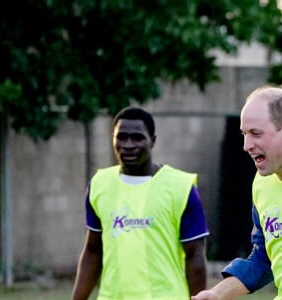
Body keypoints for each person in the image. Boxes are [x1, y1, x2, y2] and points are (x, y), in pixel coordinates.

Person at [71, 106, 209, 300]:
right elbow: (93, 251)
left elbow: (195, 256)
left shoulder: (181, 188)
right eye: (121, 137)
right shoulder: (99, 185)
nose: (128, 144)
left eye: (137, 137)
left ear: (152, 141)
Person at [191, 85, 282, 300]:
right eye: (244, 134)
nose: (246, 145)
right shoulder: (262, 183)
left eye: (256, 133)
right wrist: (216, 294)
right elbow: (263, 258)